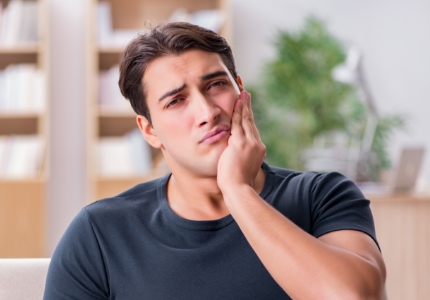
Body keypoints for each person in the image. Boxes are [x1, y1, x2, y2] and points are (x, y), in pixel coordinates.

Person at [44, 22, 386, 300]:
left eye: (216, 85)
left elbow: (354, 296)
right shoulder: (101, 233)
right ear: (149, 131)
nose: (207, 112)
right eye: (176, 100)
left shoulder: (321, 196)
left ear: (241, 93)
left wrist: (237, 192)